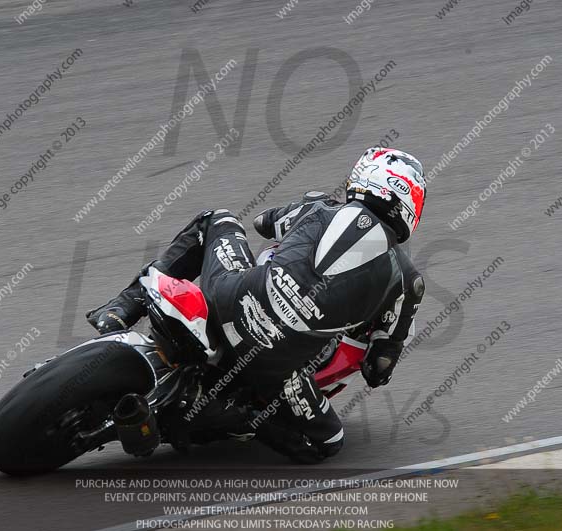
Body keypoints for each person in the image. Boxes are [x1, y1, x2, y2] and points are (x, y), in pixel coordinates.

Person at [86, 147, 427, 463]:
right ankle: (242, 418)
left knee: (215, 219)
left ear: (364, 179)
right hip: (278, 367)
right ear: (410, 204)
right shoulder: (406, 281)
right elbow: (378, 369)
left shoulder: (318, 206)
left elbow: (263, 222)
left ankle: (120, 308)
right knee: (327, 442)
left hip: (232, 299)